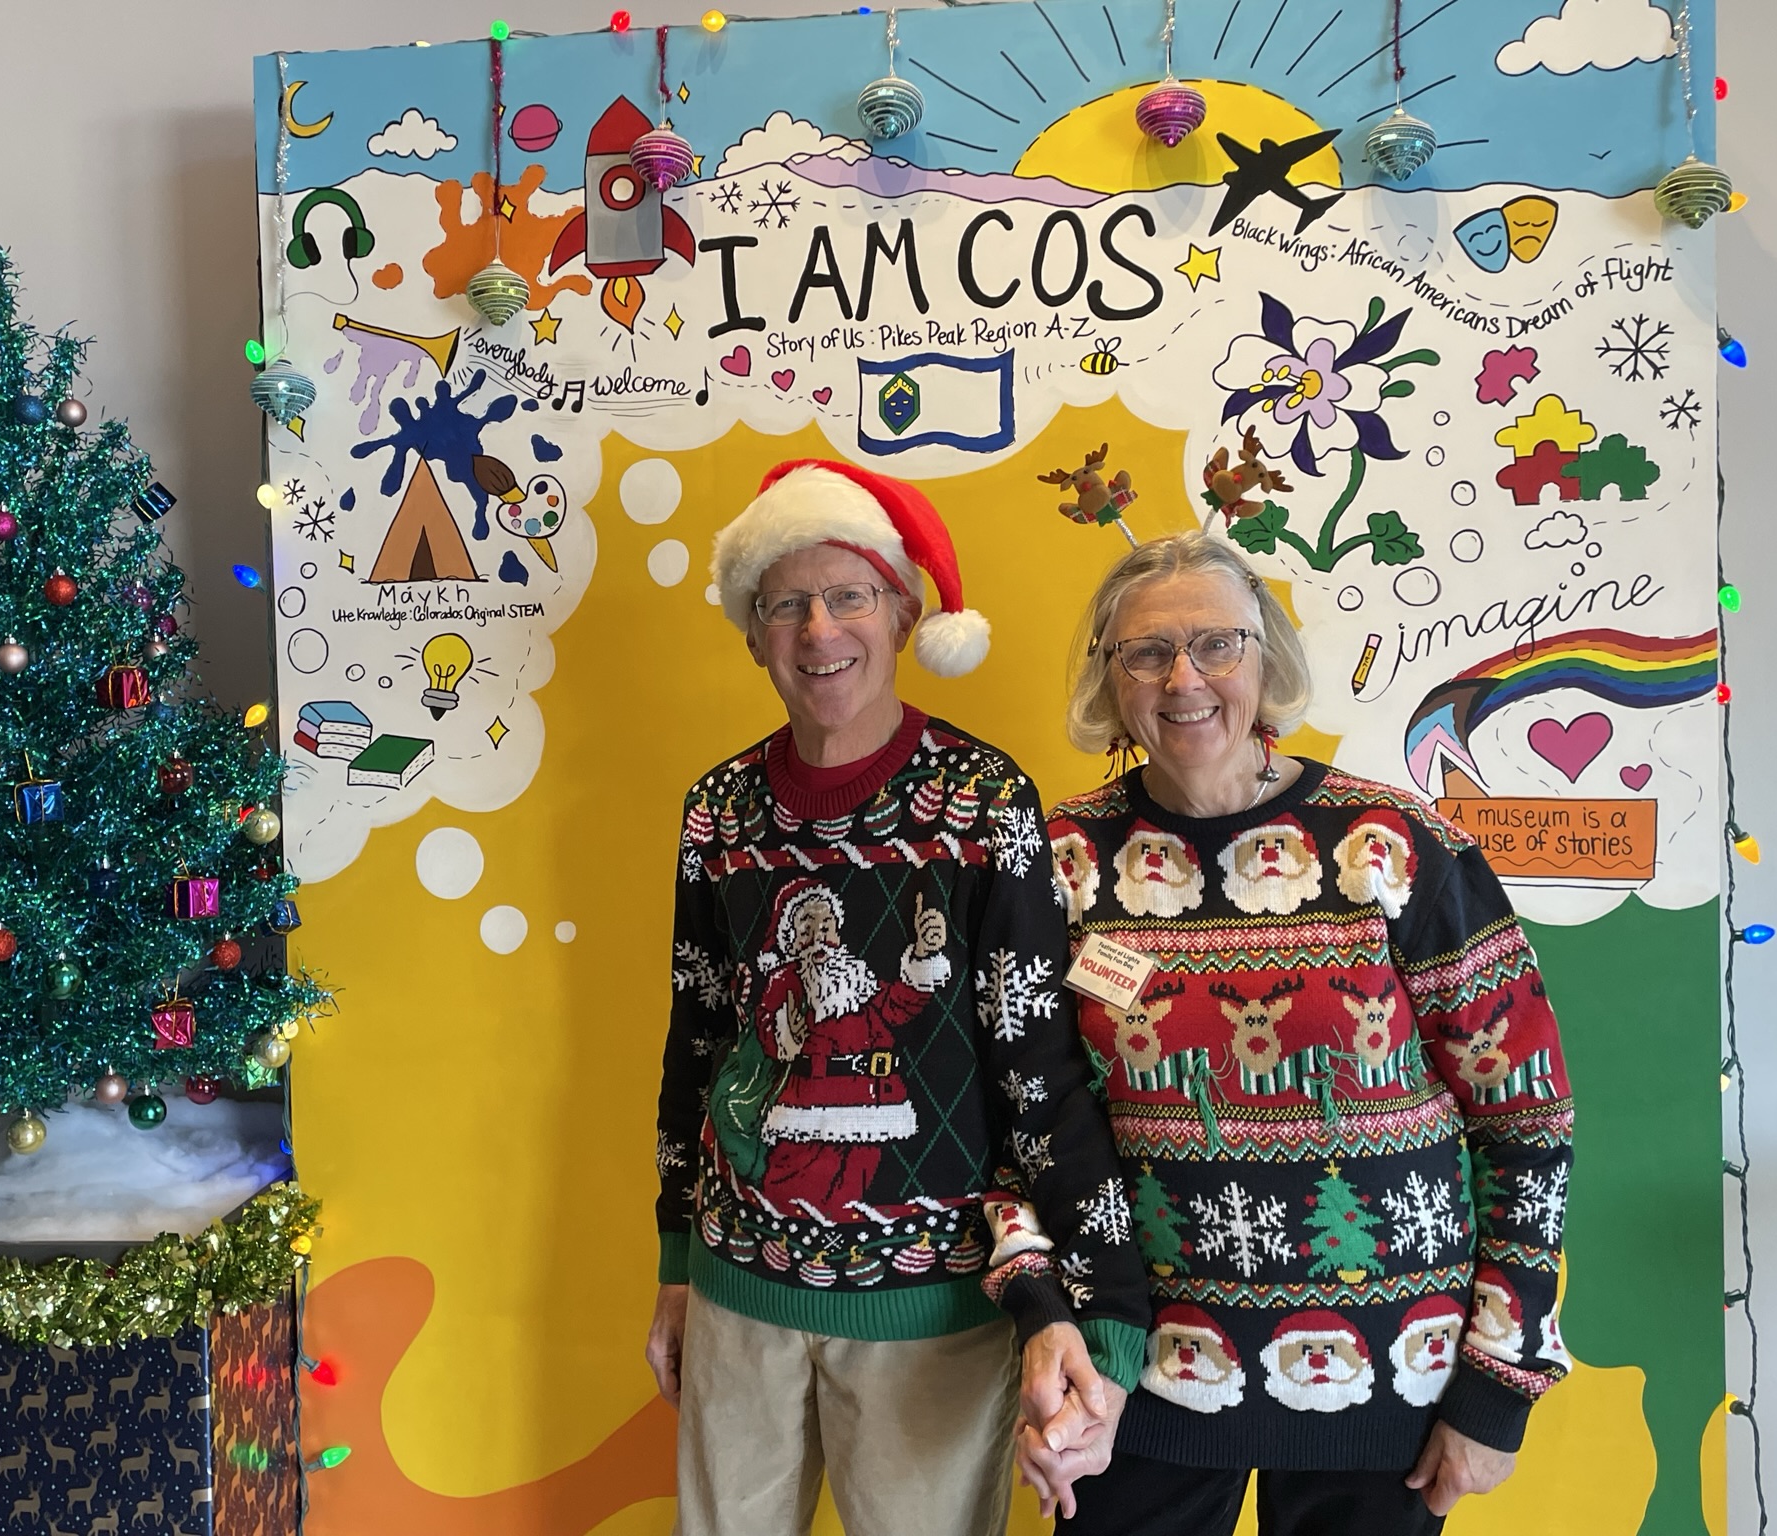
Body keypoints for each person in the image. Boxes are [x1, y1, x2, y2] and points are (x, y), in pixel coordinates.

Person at [1017, 532, 1572, 1534]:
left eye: (1216, 644)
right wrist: (1047, 1321)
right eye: (1146, 653)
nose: (1183, 678)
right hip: (1134, 1382)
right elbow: (1016, 1117)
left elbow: (1525, 1123)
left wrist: (1499, 1383)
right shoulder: (1059, 862)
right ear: (1110, 678)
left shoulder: (1391, 848)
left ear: (1265, 656)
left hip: (1383, 1378)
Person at [649, 459, 1151, 1536]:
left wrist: (1097, 1304)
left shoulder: (984, 802)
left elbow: (1035, 1061)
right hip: (739, 1291)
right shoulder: (716, 812)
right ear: (752, 634)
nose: (818, 629)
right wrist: (676, 1263)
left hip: (934, 1306)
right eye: (785, 604)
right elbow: (696, 1040)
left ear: (905, 614)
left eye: (849, 595)